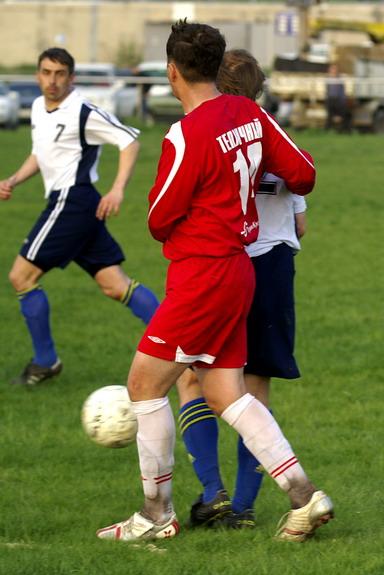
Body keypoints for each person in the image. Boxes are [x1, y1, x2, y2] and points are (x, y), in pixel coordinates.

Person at [96, 20, 332, 542]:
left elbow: (158, 218)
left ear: (172, 72)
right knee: (226, 392)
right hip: (240, 271)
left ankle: (156, 514)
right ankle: (304, 494)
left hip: (202, 274)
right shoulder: (249, 112)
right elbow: (304, 174)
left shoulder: (185, 134)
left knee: (144, 384)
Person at [175, 49, 309, 530]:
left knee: (192, 378)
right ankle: (245, 509)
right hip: (272, 266)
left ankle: (212, 492)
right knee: (254, 387)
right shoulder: (276, 135)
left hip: (220, 267)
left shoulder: (210, 132)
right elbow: (300, 215)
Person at [0, 47, 159, 386]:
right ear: (37, 75)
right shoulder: (40, 110)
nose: (52, 80)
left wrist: (117, 189)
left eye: (60, 74)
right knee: (115, 285)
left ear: (71, 77)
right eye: (46, 72)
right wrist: (13, 179)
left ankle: (45, 361)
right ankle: (179, 343)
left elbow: (129, 140)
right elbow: (40, 154)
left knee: (20, 277)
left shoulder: (83, 111)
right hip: (75, 206)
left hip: (72, 202)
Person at [324, 63, 351, 132]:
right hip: (331, 100)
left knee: (343, 115)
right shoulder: (328, 79)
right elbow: (327, 92)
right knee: (330, 115)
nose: (334, 71)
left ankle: (342, 130)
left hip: (339, 101)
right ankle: (328, 129)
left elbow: (342, 93)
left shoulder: (340, 79)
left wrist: (343, 101)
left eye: (335, 69)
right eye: (332, 69)